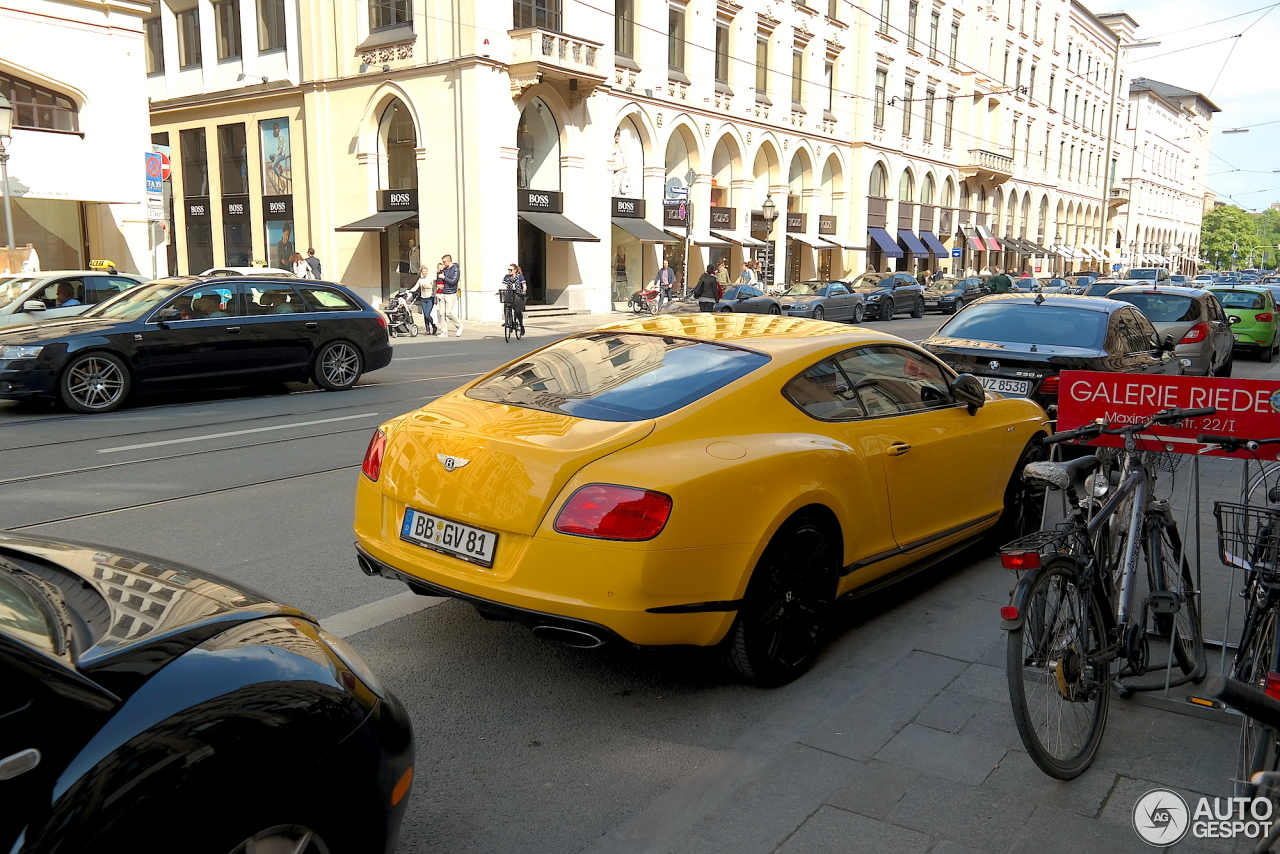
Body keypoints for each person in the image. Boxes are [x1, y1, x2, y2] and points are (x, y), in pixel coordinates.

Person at [435, 254, 462, 337]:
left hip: (451, 293)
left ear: (449, 261)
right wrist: (438, 283)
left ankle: (458, 325)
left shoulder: (456, 269)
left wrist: (444, 277)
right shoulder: (444, 269)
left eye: (444, 262)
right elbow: (439, 279)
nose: (443, 264)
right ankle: (444, 332)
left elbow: (453, 281)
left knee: (448, 312)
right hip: (442, 292)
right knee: (442, 313)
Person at [408, 268, 437, 335]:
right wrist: (409, 291)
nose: (425, 273)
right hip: (423, 298)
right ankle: (427, 330)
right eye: (423, 272)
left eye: (426, 271)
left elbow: (434, 288)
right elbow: (416, 287)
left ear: (427, 271)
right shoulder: (420, 279)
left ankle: (434, 326)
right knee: (425, 314)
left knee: (427, 314)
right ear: (421, 272)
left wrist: (435, 297)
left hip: (430, 297)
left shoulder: (431, 279)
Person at [502, 263, 527, 335]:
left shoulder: (520, 277)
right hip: (509, 294)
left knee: (517, 311)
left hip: (518, 295)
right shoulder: (507, 277)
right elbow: (503, 285)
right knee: (506, 306)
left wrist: (524, 291)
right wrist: (500, 290)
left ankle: (521, 326)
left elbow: (524, 285)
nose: (509, 271)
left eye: (511, 270)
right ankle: (509, 322)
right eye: (508, 270)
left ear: (515, 270)